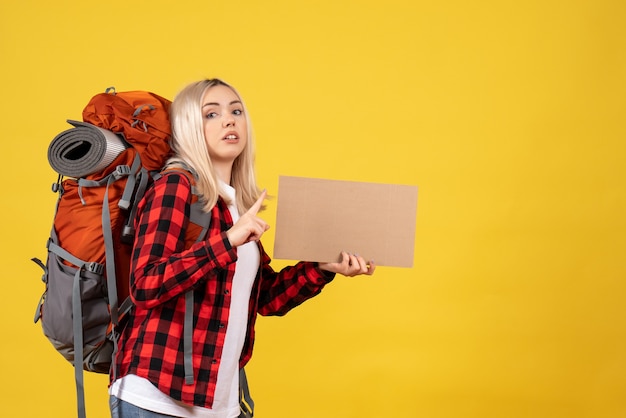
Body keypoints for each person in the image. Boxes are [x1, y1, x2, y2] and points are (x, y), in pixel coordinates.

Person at [108, 78, 375, 418]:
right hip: (155, 396)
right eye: (211, 114)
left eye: (236, 111)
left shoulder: (234, 204)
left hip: (218, 402)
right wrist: (229, 241)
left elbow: (266, 298)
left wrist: (323, 267)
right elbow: (146, 284)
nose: (229, 120)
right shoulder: (175, 186)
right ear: (189, 127)